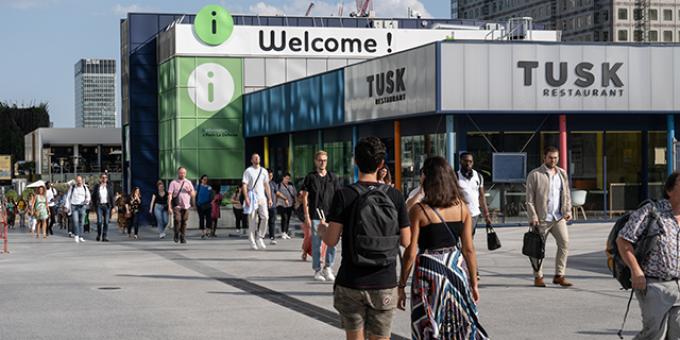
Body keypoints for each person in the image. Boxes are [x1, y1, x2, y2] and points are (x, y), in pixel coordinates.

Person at [318, 137, 411, 340]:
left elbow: (331, 240)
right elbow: (407, 241)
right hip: (384, 281)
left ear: (355, 161)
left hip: (352, 281)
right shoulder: (395, 196)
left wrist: (322, 230)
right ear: (381, 164)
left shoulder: (344, 195)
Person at [398, 156, 489, 339]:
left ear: (427, 178)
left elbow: (410, 251)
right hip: (456, 268)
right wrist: (474, 283)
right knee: (459, 323)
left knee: (429, 323)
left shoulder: (419, 210)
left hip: (428, 271)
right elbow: (469, 249)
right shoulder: (463, 208)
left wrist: (401, 285)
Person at [617, 172, 680, 340]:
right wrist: (636, 271)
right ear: (669, 190)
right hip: (655, 284)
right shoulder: (652, 211)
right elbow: (623, 241)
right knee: (654, 335)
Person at [526, 146, 573, 287]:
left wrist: (568, 210)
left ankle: (559, 275)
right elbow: (529, 199)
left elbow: (566, 194)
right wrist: (533, 216)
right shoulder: (535, 175)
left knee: (564, 243)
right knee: (537, 249)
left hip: (558, 217)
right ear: (544, 157)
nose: (553, 160)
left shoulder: (562, 174)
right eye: (551, 157)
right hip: (541, 219)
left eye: (556, 158)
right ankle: (538, 276)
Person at [301, 150, 340, 281]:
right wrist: (306, 216)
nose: (322, 162)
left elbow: (338, 196)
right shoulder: (310, 177)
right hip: (316, 214)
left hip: (331, 215)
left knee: (332, 243)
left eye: (324, 160)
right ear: (316, 161)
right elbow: (305, 197)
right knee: (317, 244)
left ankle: (328, 267)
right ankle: (317, 270)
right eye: (320, 160)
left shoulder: (332, 177)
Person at [241, 153, 273, 250]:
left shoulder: (263, 171)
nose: (257, 159)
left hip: (262, 198)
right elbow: (244, 185)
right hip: (252, 198)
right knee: (252, 220)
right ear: (251, 160)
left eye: (258, 157)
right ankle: (252, 240)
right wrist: (246, 197)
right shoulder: (248, 171)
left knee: (265, 217)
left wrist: (270, 198)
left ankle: (260, 237)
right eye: (255, 158)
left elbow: (266, 185)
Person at [458, 152, 492, 234]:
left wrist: (486, 215)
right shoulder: (455, 176)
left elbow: (481, 196)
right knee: (463, 237)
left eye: (470, 161)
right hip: (460, 214)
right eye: (465, 161)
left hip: (474, 214)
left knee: (469, 237)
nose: (468, 163)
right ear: (460, 162)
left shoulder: (478, 176)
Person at [168, 167, 196, 244]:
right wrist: (169, 207)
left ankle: (182, 236)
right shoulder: (173, 182)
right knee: (177, 220)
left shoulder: (188, 182)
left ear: (185, 173)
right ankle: (176, 234)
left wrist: (189, 191)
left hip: (186, 206)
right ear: (178, 173)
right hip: (177, 205)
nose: (182, 174)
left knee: (184, 221)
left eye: (184, 173)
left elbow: (193, 194)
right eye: (181, 173)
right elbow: (170, 195)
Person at [65, 176, 91, 243]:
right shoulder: (73, 187)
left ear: (82, 180)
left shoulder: (85, 188)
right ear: (76, 181)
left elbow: (88, 196)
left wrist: (87, 201)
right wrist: (67, 206)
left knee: (81, 222)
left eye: (80, 180)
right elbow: (68, 197)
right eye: (77, 180)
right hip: (74, 206)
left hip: (82, 206)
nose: (79, 182)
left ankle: (81, 236)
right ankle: (76, 235)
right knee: (75, 221)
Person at [91, 173, 115, 242]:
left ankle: (104, 236)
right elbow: (93, 196)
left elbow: (111, 197)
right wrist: (94, 204)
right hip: (99, 206)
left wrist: (113, 207)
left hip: (107, 206)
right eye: (103, 178)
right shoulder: (97, 186)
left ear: (107, 179)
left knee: (106, 222)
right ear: (100, 179)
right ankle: (99, 235)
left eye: (105, 178)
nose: (104, 179)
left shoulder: (109, 186)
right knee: (99, 221)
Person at [276, 173, 296, 240]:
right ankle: (283, 232)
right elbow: (277, 193)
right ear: (283, 178)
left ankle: (286, 232)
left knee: (288, 218)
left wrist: (295, 202)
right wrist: (284, 199)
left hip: (290, 204)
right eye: (286, 178)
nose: (287, 180)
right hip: (281, 204)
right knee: (284, 217)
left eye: (288, 178)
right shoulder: (279, 185)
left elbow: (294, 194)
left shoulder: (291, 185)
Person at [196, 175, 213, 240]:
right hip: (200, 205)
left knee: (209, 219)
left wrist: (210, 201)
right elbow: (195, 195)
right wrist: (195, 204)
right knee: (201, 219)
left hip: (208, 205)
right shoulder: (198, 186)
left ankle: (207, 232)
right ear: (201, 180)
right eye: (204, 179)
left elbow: (212, 196)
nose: (205, 181)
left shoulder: (209, 187)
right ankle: (202, 233)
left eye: (206, 180)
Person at [267, 169, 279, 245]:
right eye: (269, 175)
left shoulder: (273, 184)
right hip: (263, 206)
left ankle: (272, 237)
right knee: (263, 221)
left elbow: (277, 193)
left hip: (273, 206)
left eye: (271, 176)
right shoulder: (261, 184)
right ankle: (259, 236)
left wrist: (284, 198)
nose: (270, 177)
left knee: (272, 222)